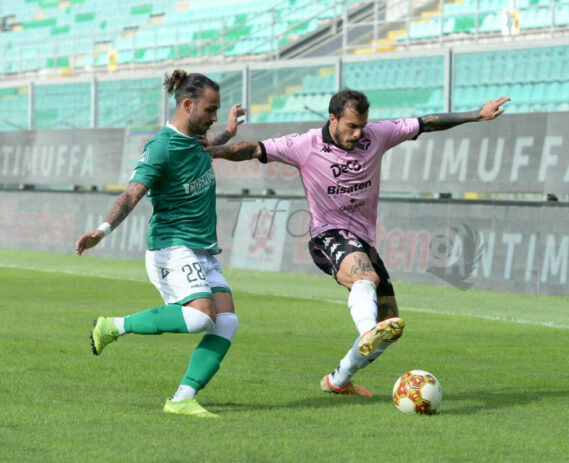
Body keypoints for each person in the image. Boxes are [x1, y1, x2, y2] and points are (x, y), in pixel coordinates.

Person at [204, 89, 510, 397]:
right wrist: (215, 151)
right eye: (351, 126)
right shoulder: (305, 144)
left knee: (391, 326)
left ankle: (339, 379)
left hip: (363, 240)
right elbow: (253, 149)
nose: (358, 133)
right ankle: (366, 331)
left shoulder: (378, 134)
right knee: (366, 279)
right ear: (333, 118)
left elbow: (426, 122)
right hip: (327, 234)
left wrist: (477, 115)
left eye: (362, 125)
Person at [75, 69, 246, 418]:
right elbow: (131, 195)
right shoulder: (161, 147)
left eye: (217, 110)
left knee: (227, 321)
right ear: (188, 105)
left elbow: (207, 148)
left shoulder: (200, 140)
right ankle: (113, 326)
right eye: (211, 109)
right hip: (171, 246)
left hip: (201, 248)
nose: (214, 117)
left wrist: (229, 131)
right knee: (200, 318)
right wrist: (102, 230)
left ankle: (182, 398)